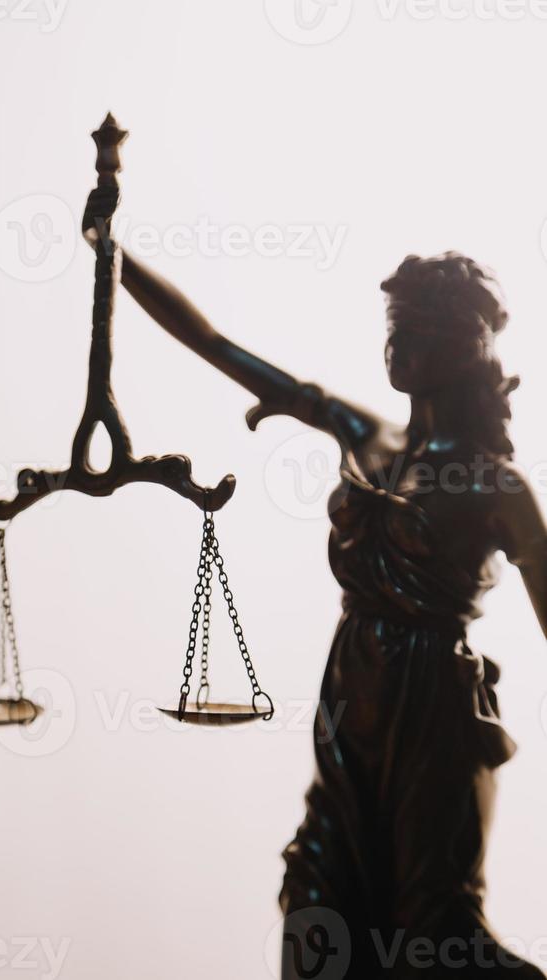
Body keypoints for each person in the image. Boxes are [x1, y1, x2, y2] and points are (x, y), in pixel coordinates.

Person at [117, 244, 546, 978]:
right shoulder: (367, 437)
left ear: (467, 346)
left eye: (419, 330)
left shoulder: (500, 487)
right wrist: (112, 257)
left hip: (434, 713)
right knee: (319, 901)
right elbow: (213, 342)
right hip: (351, 700)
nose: (398, 344)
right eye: (394, 325)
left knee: (431, 931)